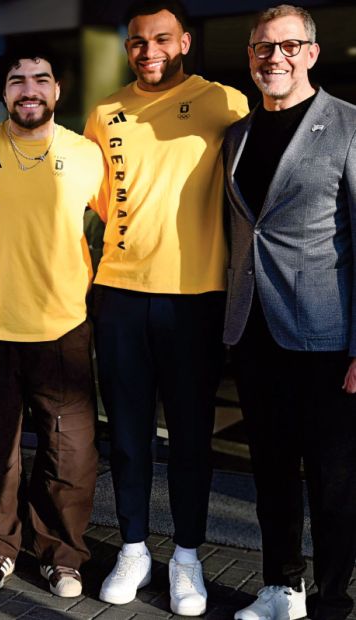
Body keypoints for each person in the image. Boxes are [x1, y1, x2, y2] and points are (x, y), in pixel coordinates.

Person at [82, 0, 249, 614]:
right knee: (126, 435)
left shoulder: (225, 102)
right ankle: (132, 548)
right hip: (120, 292)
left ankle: (185, 557)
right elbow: (98, 198)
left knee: (190, 438)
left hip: (196, 298)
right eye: (136, 42)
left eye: (160, 40)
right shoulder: (105, 112)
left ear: (183, 43)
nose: (148, 51)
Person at [0, 42, 103, 598]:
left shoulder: (87, 154)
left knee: (71, 451)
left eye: (41, 78)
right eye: (17, 79)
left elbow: (131, 221)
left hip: (63, 326)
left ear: (57, 90)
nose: (29, 88)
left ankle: (62, 556)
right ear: (2, 92)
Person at [222, 5, 356, 620]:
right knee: (272, 472)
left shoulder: (350, 126)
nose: (273, 57)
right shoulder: (238, 135)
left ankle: (332, 600)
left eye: (287, 46)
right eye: (261, 48)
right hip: (255, 328)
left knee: (333, 482)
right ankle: (282, 588)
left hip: (328, 336)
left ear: (311, 53)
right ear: (250, 56)